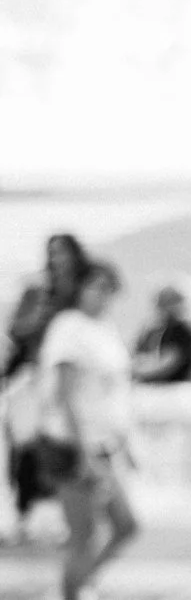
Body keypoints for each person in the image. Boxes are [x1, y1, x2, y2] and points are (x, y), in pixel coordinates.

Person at [37, 262, 141, 600]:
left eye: (108, 288)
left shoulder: (105, 330)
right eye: (95, 287)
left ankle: (80, 589)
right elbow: (66, 397)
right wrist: (84, 454)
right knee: (84, 535)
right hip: (75, 445)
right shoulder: (69, 328)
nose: (101, 295)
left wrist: (125, 443)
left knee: (125, 524)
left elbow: (114, 391)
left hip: (104, 443)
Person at [4, 233, 91, 544]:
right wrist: (41, 315)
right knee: (26, 446)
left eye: (63, 252)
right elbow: (16, 329)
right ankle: (24, 512)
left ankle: (64, 514)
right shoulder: (37, 291)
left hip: (67, 379)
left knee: (61, 445)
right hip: (34, 377)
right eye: (52, 253)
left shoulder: (82, 293)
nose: (57, 259)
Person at [131, 287, 191, 385]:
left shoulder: (181, 331)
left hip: (175, 388)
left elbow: (168, 363)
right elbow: (139, 354)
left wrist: (136, 372)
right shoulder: (153, 330)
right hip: (155, 386)